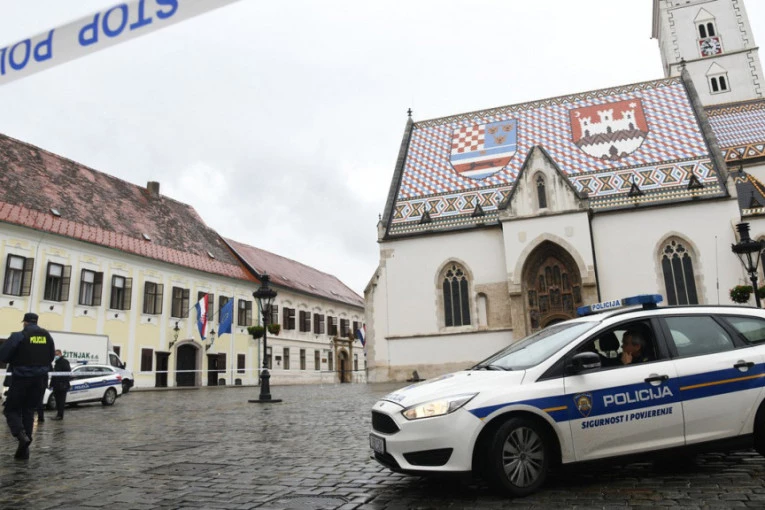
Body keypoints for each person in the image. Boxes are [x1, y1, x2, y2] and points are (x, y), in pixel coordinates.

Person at [0, 313, 55, 460]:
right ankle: (24, 450)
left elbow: (3, 355)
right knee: (29, 411)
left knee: (10, 410)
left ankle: (21, 435)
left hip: (21, 379)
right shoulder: (47, 336)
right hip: (40, 380)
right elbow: (51, 357)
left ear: (25, 322)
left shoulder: (18, 336)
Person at [50, 350, 71, 420]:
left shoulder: (64, 362)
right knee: (57, 401)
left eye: (57, 354)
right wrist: (51, 384)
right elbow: (54, 375)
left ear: (60, 354)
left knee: (61, 401)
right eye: (55, 355)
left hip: (62, 385)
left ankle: (60, 415)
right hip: (56, 385)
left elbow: (67, 373)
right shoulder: (57, 363)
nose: (55, 356)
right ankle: (58, 414)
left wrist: (63, 383)